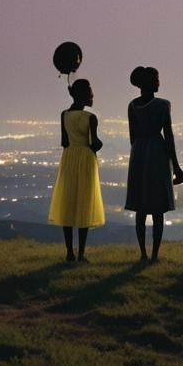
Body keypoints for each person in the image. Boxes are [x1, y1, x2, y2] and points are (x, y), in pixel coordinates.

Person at [125, 66, 182, 263]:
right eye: (156, 79)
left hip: (138, 153)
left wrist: (138, 152)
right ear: (147, 82)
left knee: (140, 207)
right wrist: (176, 166)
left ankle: (143, 253)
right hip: (158, 153)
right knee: (158, 208)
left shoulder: (132, 106)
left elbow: (132, 136)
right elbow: (169, 136)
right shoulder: (163, 105)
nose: (158, 83)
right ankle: (155, 254)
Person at [48, 78, 105, 262]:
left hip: (69, 159)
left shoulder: (64, 115)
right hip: (86, 159)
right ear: (84, 95)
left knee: (68, 202)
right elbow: (94, 143)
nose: (92, 96)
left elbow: (64, 142)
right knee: (84, 203)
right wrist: (100, 144)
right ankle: (81, 253)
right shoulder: (90, 118)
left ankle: (69, 252)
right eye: (90, 93)